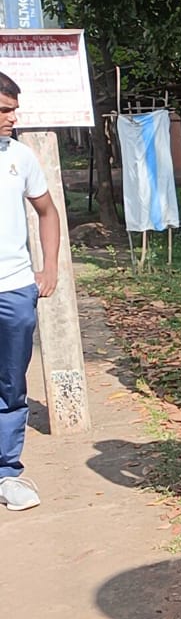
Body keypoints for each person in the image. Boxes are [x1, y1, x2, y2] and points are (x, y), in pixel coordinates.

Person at [0, 71, 59, 512]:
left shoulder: (21, 157)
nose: (12, 117)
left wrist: (49, 266)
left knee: (10, 383)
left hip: (15, 289)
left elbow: (47, 211)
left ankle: (8, 471)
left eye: (13, 109)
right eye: (4, 110)